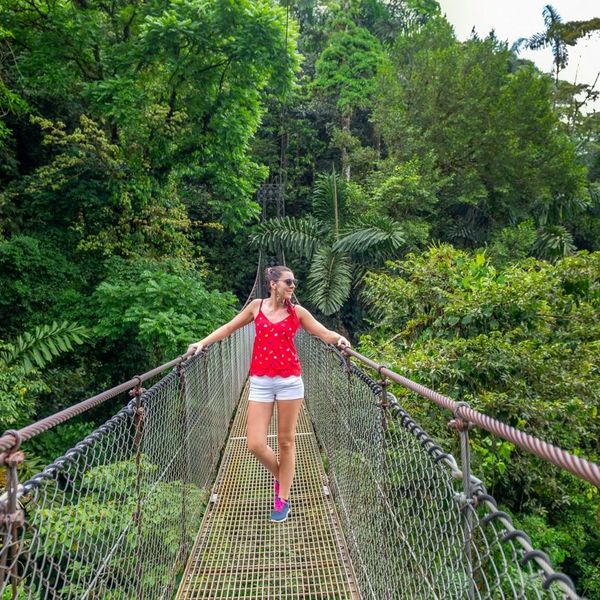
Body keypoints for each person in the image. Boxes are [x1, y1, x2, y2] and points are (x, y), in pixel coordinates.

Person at [187, 265, 350, 523]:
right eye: (288, 281)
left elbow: (322, 332)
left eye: (294, 282)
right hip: (261, 381)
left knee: (286, 441)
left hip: (290, 383)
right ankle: (282, 476)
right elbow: (229, 328)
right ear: (273, 284)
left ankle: (282, 498)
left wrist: (339, 339)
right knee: (254, 444)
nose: (293, 286)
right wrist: (202, 343)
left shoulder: (298, 312)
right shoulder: (256, 307)